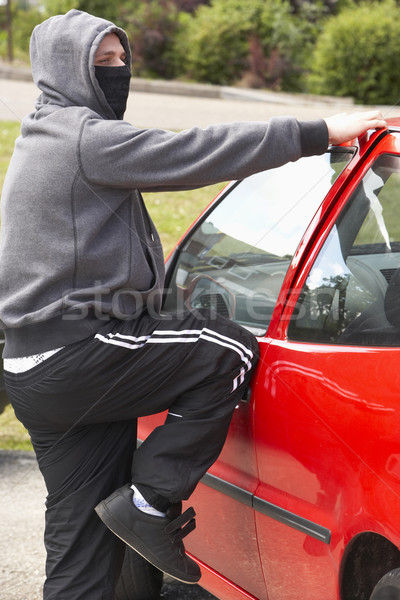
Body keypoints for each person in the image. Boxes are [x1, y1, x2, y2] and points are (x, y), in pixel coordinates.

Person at [0, 8, 387, 600]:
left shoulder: (40, 137)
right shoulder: (82, 136)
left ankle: (134, 512)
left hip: (37, 372)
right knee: (225, 347)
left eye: (122, 60)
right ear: (65, 71)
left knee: (82, 551)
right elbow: (196, 151)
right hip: (79, 353)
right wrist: (318, 132)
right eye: (102, 64)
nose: (118, 72)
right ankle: (151, 503)